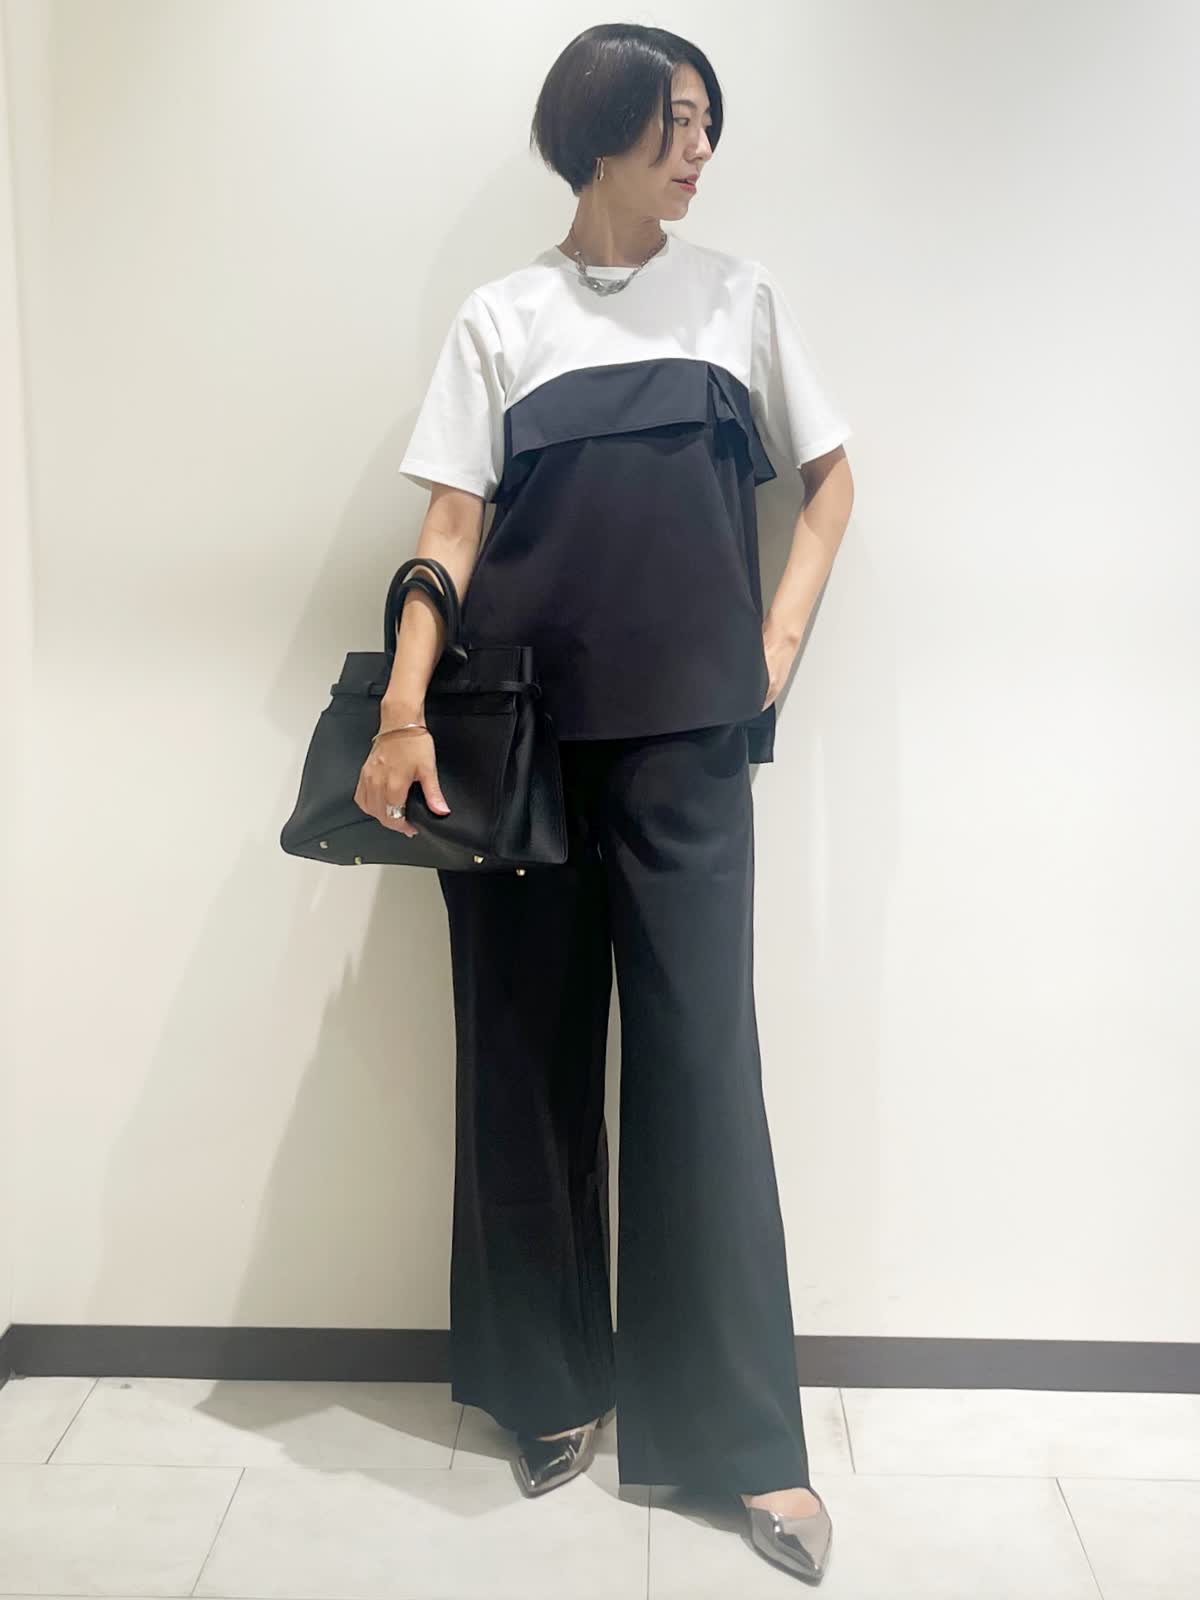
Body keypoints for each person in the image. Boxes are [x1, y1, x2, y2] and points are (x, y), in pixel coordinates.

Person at [356, 22, 854, 1585]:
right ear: (598, 133)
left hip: (688, 741)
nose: (700, 151)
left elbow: (832, 481)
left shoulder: (738, 299)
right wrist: (399, 711)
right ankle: (548, 1385)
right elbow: (451, 524)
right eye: (674, 123)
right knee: (524, 1056)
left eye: (708, 123)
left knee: (703, 1070)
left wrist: (774, 645)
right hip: (515, 745)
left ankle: (742, 1440)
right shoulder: (501, 318)